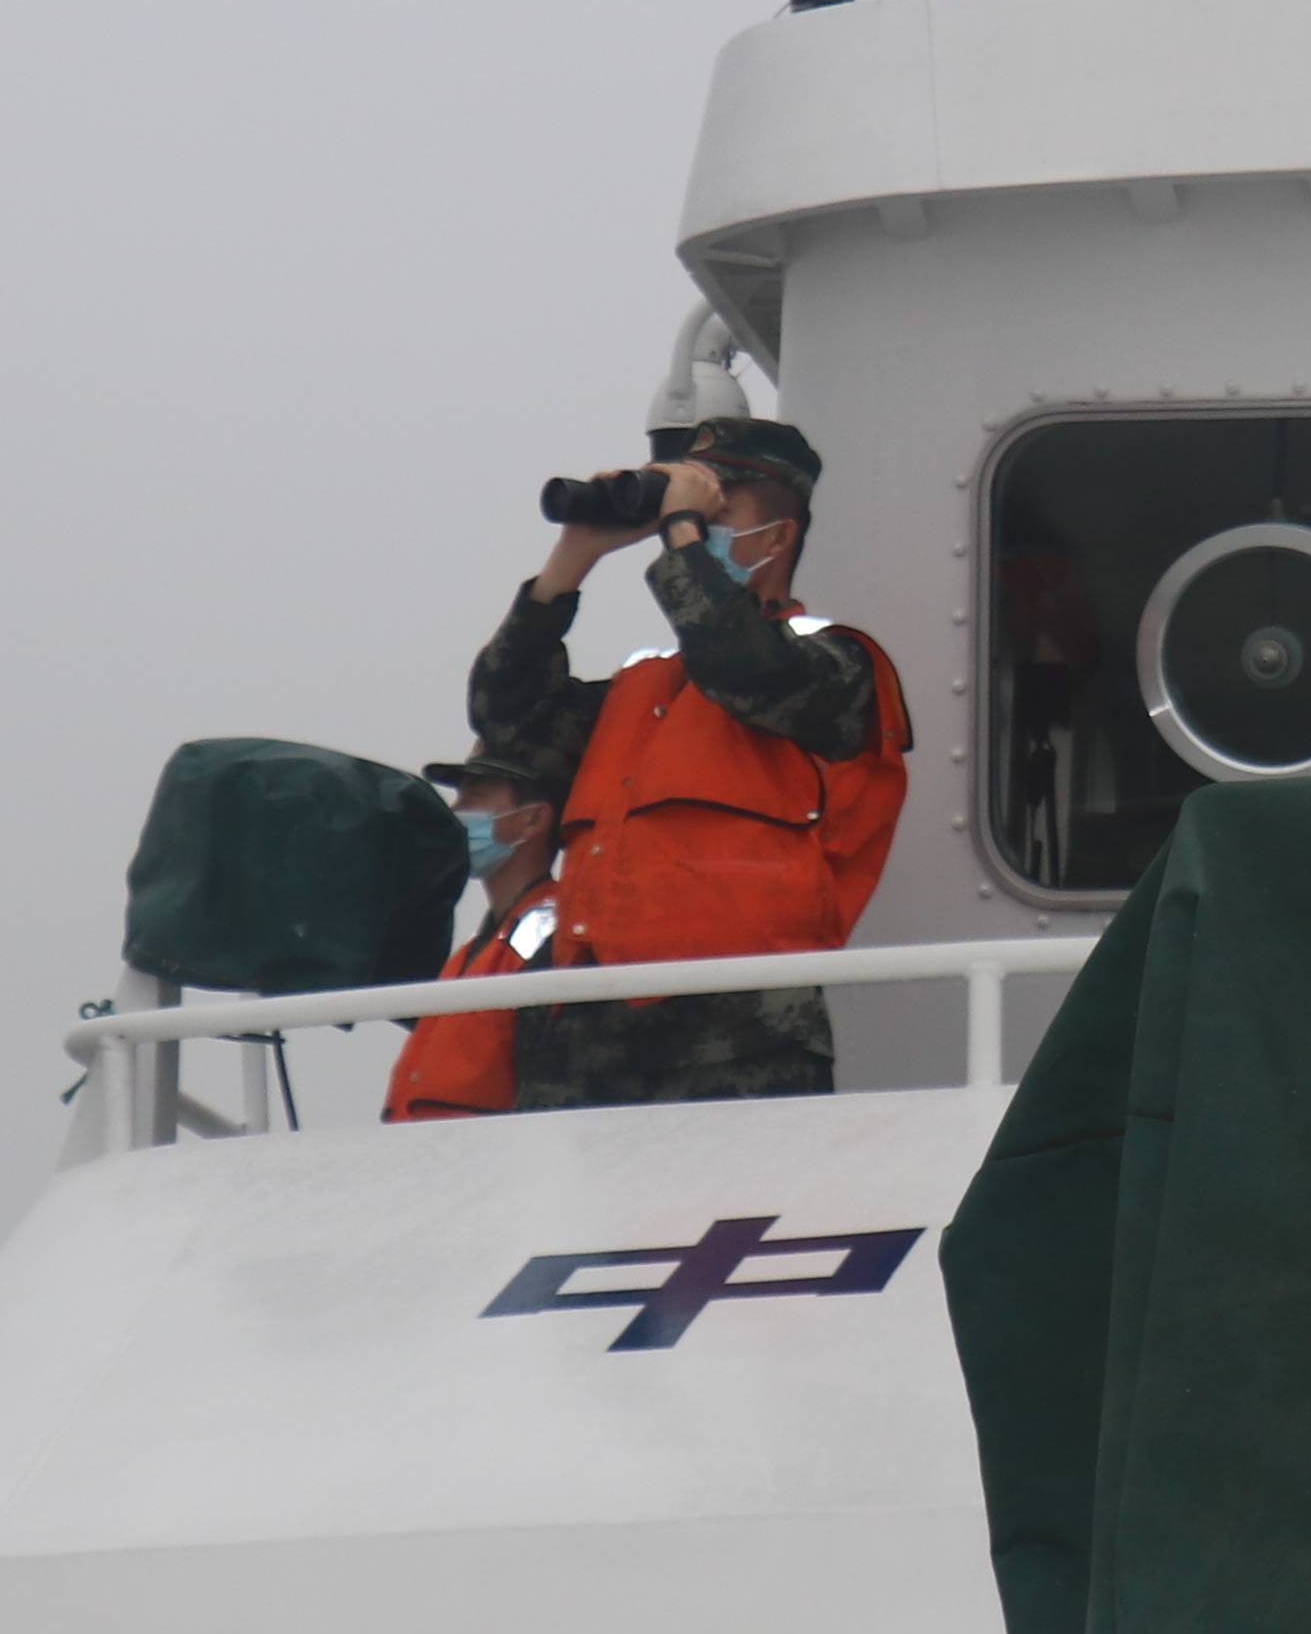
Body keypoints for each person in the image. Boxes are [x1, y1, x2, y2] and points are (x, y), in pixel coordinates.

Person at [460, 414, 912, 1110]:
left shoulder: (837, 663)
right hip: (586, 1040)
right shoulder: (642, 689)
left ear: (781, 535)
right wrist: (572, 560)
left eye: (720, 500)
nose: (699, 513)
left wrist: (679, 535)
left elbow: (745, 667)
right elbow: (506, 716)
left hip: (740, 1037)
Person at [379, 744, 573, 1124]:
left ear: (533, 820)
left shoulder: (548, 931)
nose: (456, 813)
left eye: (475, 798)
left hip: (488, 1166)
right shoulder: (476, 950)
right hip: (443, 1164)